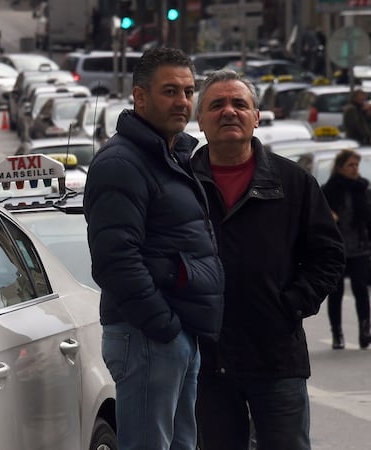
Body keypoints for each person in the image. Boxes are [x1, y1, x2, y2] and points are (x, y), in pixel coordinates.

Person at [191, 69, 345, 450]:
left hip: (276, 359)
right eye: (217, 105)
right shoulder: (181, 184)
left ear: (256, 117)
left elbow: (328, 255)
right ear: (201, 120)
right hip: (205, 363)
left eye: (239, 104)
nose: (229, 111)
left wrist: (291, 305)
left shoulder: (293, 182)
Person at [83, 47, 225, 450]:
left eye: (188, 90)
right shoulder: (122, 164)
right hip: (149, 334)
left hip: (174, 332)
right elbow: (115, 260)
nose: (182, 101)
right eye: (170, 91)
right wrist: (163, 327)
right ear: (139, 97)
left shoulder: (172, 155)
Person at [321, 149, 371, 350]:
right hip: (337, 249)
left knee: (361, 290)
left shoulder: (363, 189)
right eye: (351, 165)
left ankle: (365, 331)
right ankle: (337, 333)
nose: (355, 169)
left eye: (357, 165)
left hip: (359, 247)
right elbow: (318, 217)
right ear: (341, 167)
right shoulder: (329, 190)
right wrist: (328, 216)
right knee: (337, 292)